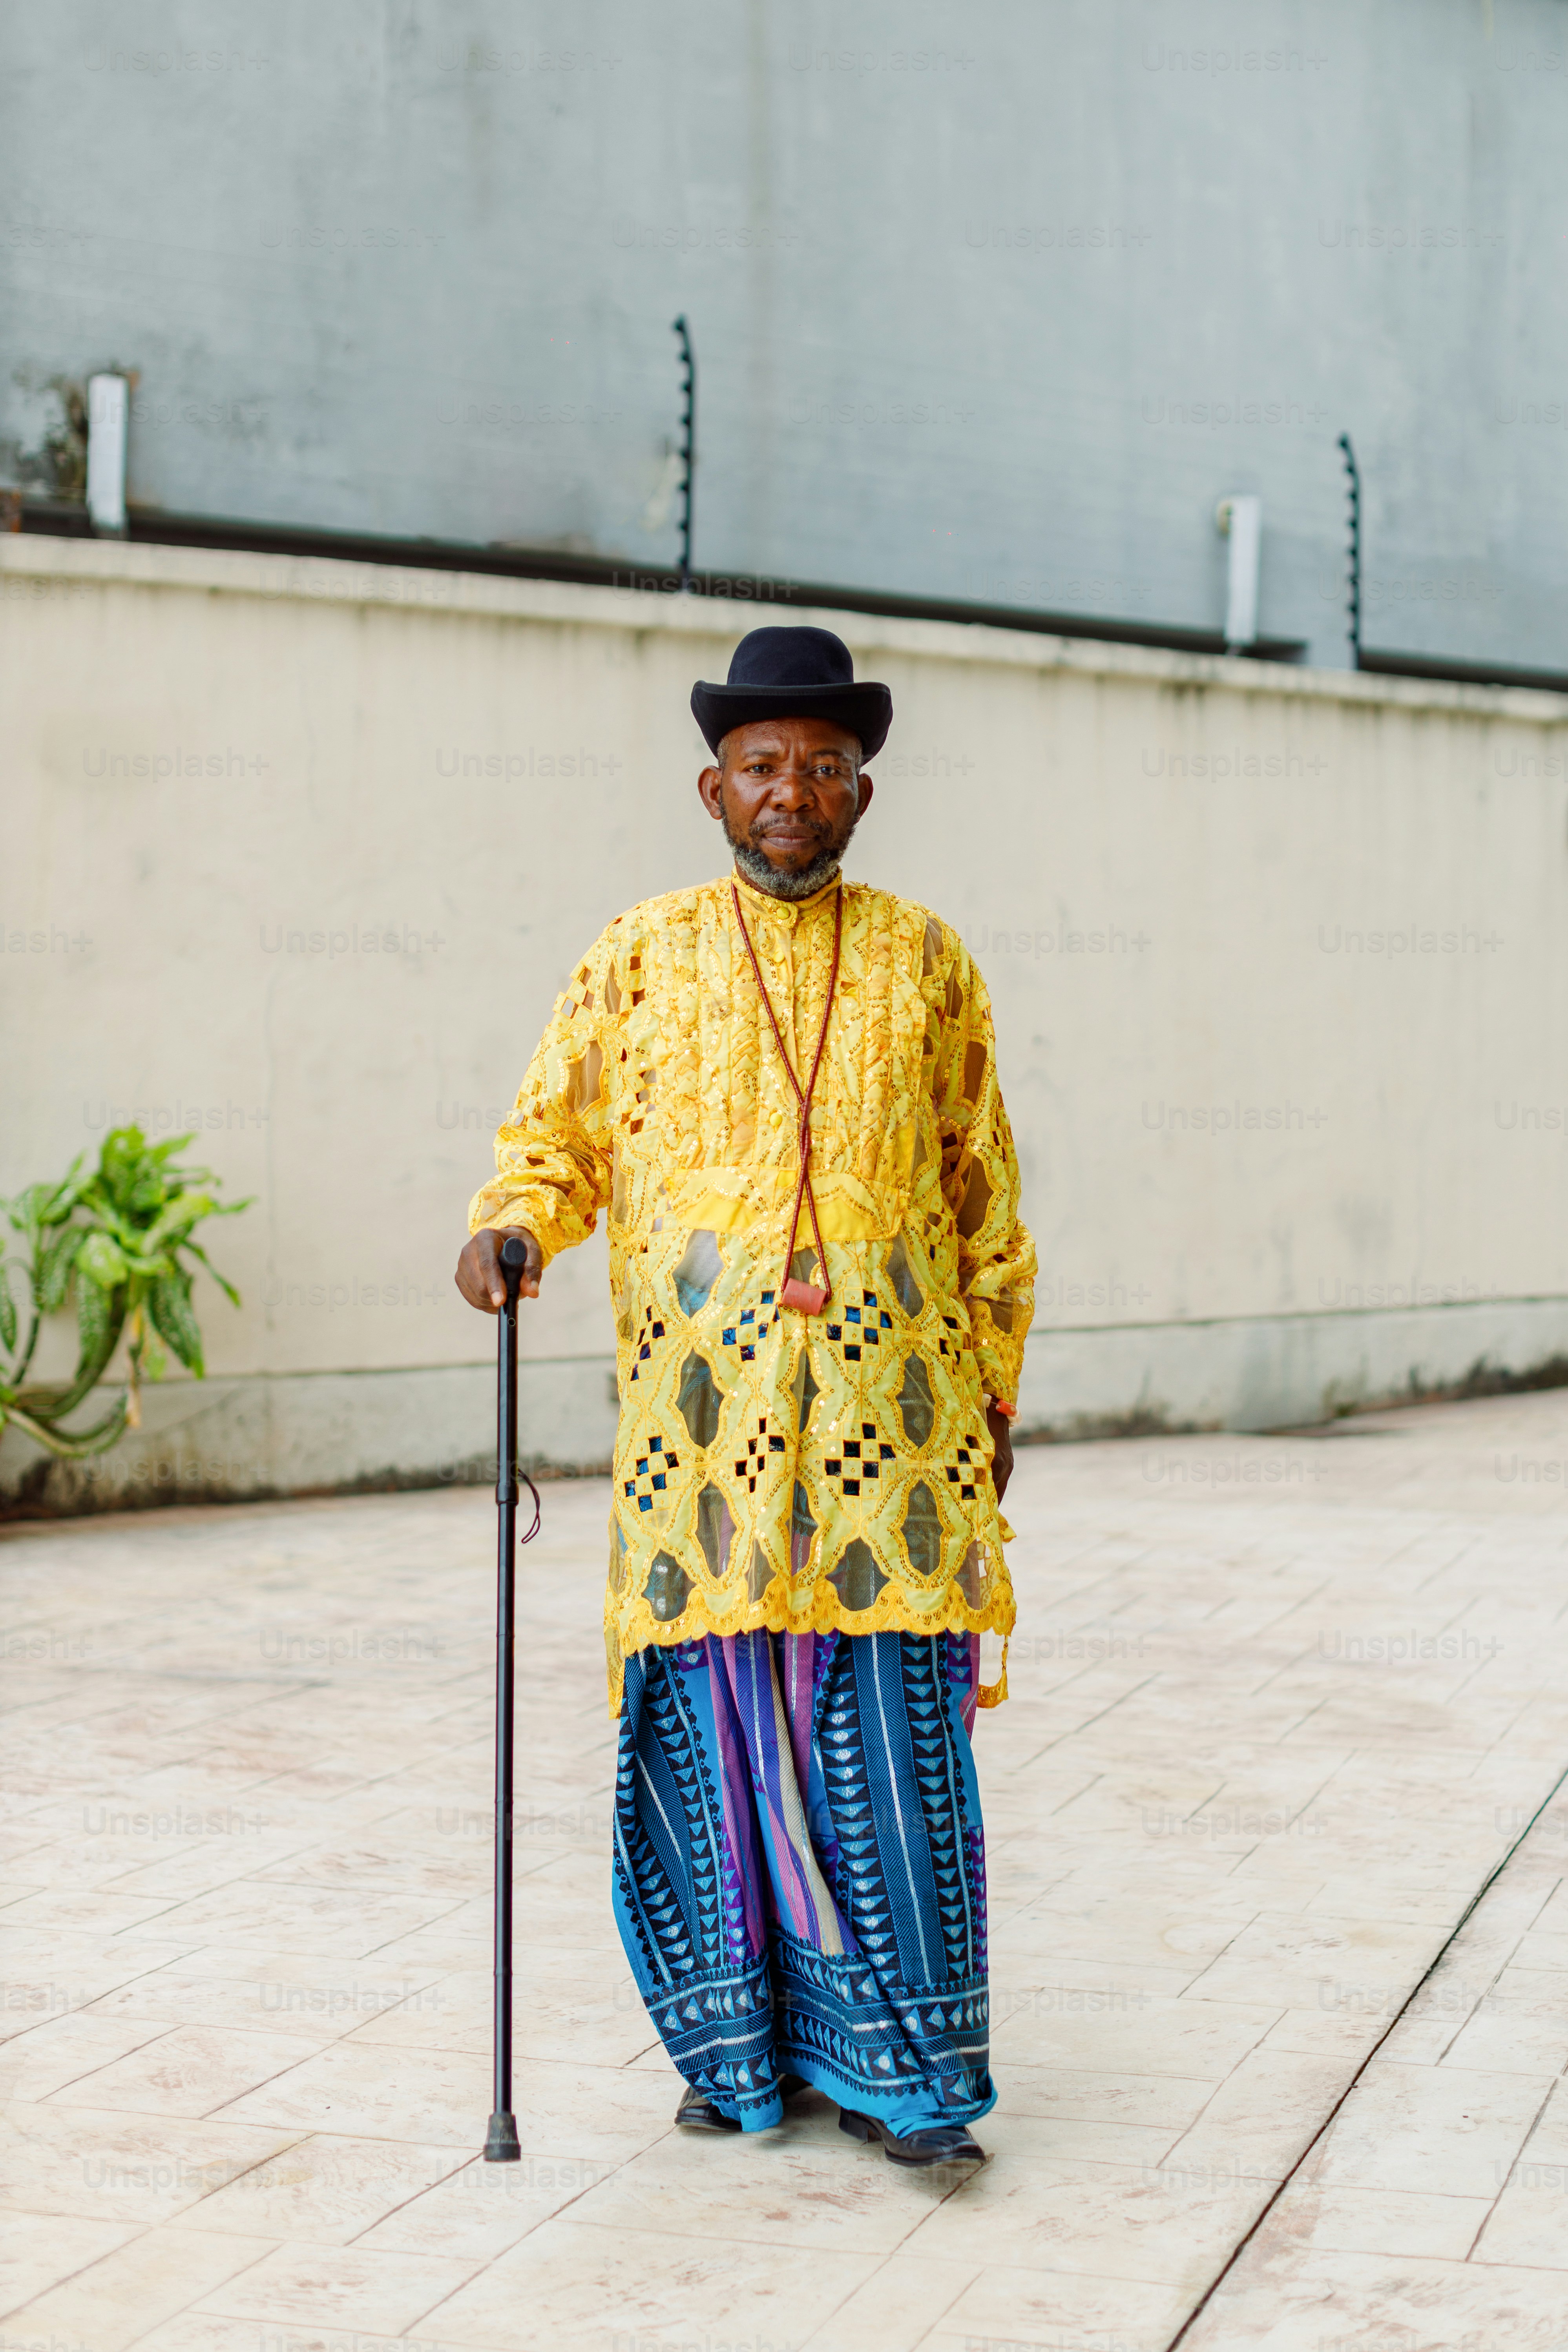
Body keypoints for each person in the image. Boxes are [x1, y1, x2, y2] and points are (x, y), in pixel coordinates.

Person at [456, 624, 1035, 2169]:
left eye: (825, 768)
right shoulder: (637, 955)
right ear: (713, 789)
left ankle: (912, 2076)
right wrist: (511, 1228)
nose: (794, 791)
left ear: (862, 794)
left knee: (892, 1753)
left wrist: (992, 1399)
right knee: (714, 1740)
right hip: (702, 1441)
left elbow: (985, 1199)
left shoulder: (926, 958)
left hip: (891, 1439)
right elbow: (553, 1139)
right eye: (764, 766)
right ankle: (734, 2054)